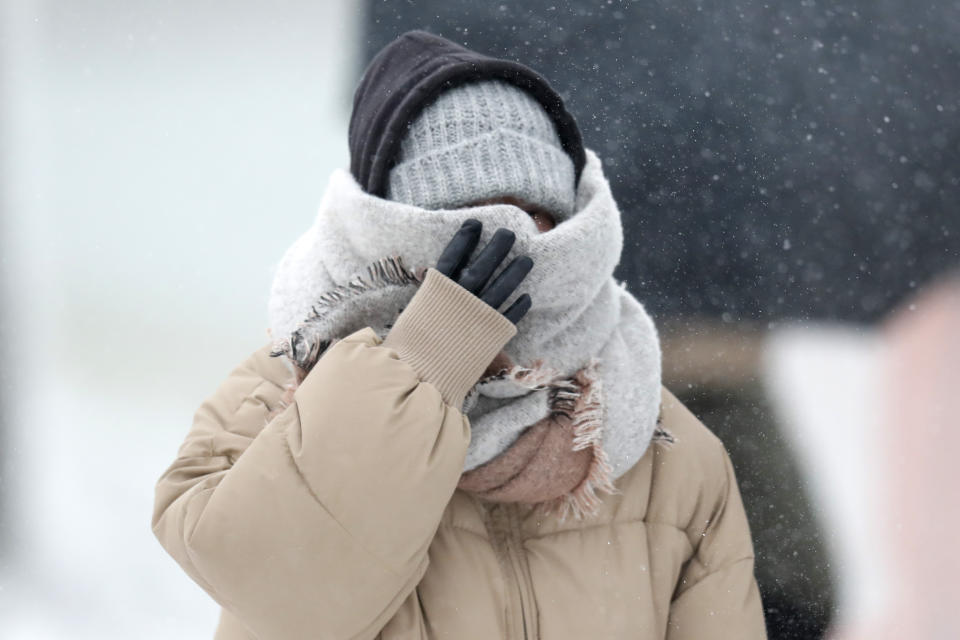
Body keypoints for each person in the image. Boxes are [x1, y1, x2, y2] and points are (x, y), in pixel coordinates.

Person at [152, 30, 766, 639]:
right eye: (463, 222)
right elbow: (284, 597)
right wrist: (421, 367)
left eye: (531, 218)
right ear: (388, 226)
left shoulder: (660, 442)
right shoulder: (275, 396)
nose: (507, 245)